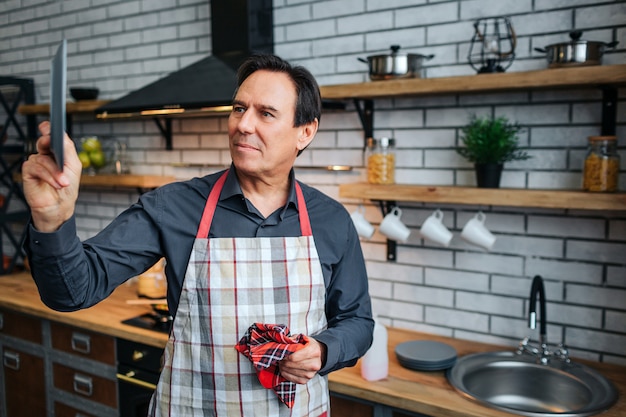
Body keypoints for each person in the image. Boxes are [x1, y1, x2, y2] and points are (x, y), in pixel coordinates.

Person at [22, 53, 374, 416]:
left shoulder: (331, 221)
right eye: (238, 109)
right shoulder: (173, 206)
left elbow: (358, 323)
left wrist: (324, 350)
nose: (243, 125)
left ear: (305, 131)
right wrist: (52, 221)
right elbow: (72, 290)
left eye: (265, 113)